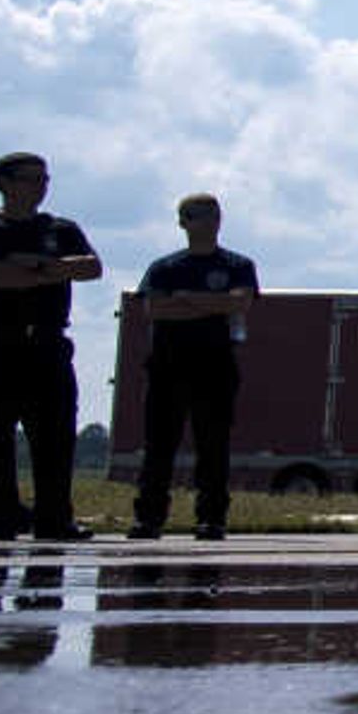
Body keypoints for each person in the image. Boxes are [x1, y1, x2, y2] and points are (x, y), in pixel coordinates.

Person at [0, 151, 103, 542]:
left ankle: (54, 518)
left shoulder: (61, 228)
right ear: (5, 182)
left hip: (47, 344)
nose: (40, 186)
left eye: (44, 178)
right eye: (31, 178)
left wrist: (32, 264)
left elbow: (91, 267)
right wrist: (52, 269)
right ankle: (1, 515)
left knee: (55, 436)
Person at [128, 194, 259, 542]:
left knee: (213, 444)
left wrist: (187, 299)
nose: (209, 221)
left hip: (215, 363)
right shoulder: (165, 267)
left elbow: (239, 302)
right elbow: (155, 310)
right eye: (199, 216)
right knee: (159, 444)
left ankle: (212, 518)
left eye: (214, 214)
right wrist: (211, 305)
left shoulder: (237, 264)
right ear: (183, 222)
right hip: (169, 363)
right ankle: (149, 517)